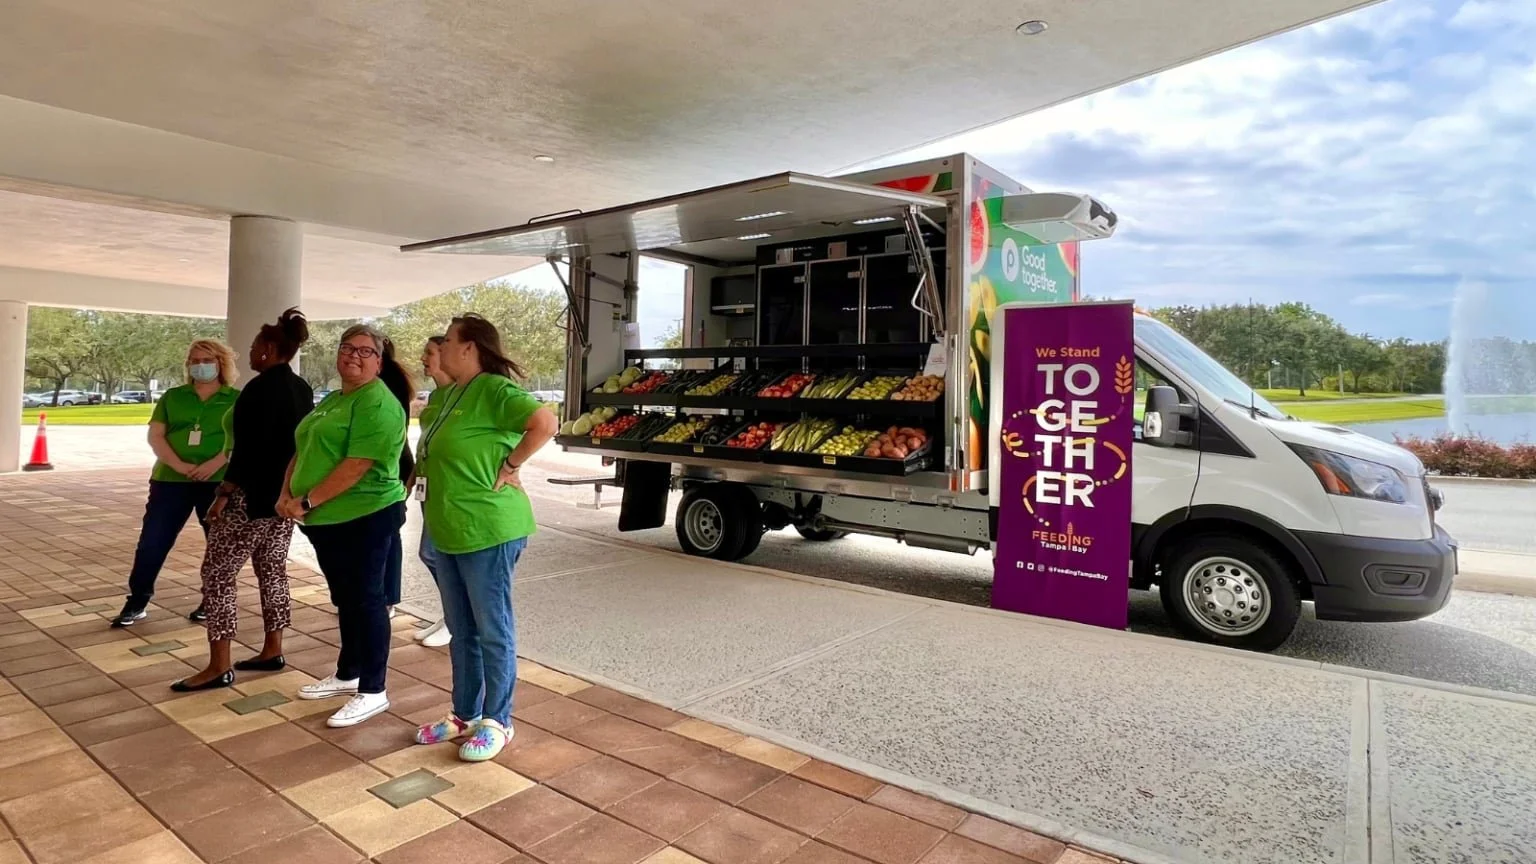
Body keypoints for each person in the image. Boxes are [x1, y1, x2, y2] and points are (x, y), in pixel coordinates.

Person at [413, 314, 557, 761]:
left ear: (469, 347)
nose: (442, 349)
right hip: (450, 528)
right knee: (461, 630)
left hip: (489, 529)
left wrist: (511, 466)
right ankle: (464, 713)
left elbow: (545, 422)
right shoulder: (451, 393)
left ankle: (499, 720)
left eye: (450, 341)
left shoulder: (494, 389)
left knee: (492, 629)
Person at [172, 310, 314, 691]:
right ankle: (273, 648)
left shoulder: (259, 389)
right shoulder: (301, 389)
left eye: (254, 346)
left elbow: (249, 451)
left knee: (217, 575)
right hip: (283, 501)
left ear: (269, 349)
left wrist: (223, 495)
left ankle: (219, 663)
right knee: (272, 572)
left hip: (249, 500)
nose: (250, 353)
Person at [281, 324, 409, 728]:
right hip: (325, 519)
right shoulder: (334, 399)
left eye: (366, 351)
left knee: (367, 601)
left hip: (365, 516)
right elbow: (303, 450)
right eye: (347, 347)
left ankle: (373, 689)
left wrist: (305, 500)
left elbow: (356, 466)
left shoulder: (378, 403)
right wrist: (286, 493)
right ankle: (347, 672)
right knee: (346, 599)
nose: (354, 355)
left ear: (380, 361)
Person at [112, 340, 239, 628]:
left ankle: (211, 599)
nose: (200, 366)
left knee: (218, 545)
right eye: (194, 361)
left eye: (207, 360)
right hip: (170, 480)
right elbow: (156, 436)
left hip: (218, 483)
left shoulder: (236, 399)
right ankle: (137, 601)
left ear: (221, 363)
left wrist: (215, 464)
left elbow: (242, 439)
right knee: (152, 542)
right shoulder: (173, 397)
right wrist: (180, 465)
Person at [411, 336, 453, 648]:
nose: (424, 358)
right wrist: (413, 475)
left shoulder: (461, 395)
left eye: (430, 352)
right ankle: (451, 614)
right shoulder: (437, 396)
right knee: (431, 553)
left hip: (449, 489)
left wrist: (511, 467)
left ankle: (455, 618)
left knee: (433, 553)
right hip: (429, 485)